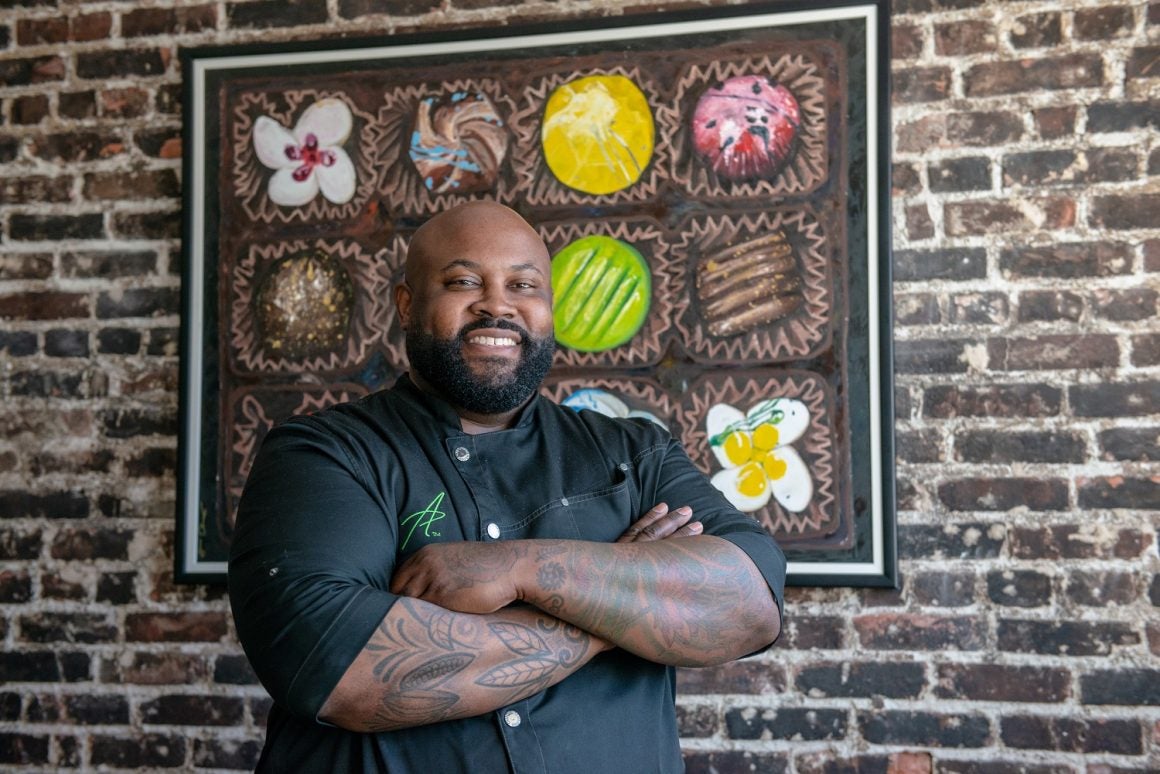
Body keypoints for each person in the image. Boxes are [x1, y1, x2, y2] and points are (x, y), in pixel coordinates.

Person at [228, 200, 786, 773]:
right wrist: (619, 610)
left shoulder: (636, 453)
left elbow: (750, 606)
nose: (497, 304)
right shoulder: (322, 453)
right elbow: (340, 672)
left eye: (523, 285)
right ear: (406, 304)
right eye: (464, 282)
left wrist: (520, 567)